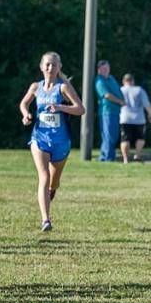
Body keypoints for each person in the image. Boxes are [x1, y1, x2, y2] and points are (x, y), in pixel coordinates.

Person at [19, 52, 85, 231]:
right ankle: (45, 220)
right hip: (39, 138)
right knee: (44, 177)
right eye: (47, 64)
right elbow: (23, 104)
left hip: (61, 142)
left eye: (54, 65)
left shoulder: (63, 88)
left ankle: (51, 191)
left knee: (53, 183)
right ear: (41, 67)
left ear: (59, 68)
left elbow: (80, 109)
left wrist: (60, 107)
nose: (50, 68)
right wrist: (26, 115)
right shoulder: (35, 87)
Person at [119, 73, 151, 163]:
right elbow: (146, 104)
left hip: (125, 117)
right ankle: (137, 155)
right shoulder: (139, 90)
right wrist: (150, 114)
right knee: (140, 138)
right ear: (133, 81)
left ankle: (125, 159)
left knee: (125, 139)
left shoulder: (120, 90)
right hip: (139, 118)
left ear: (123, 81)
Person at [95, 60, 123, 162]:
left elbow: (118, 91)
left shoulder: (111, 78)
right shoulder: (99, 81)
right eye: (103, 69)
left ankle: (109, 156)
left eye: (107, 68)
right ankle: (106, 158)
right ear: (99, 70)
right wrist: (120, 101)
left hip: (116, 111)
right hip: (106, 112)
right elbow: (107, 95)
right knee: (108, 135)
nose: (106, 70)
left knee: (114, 135)